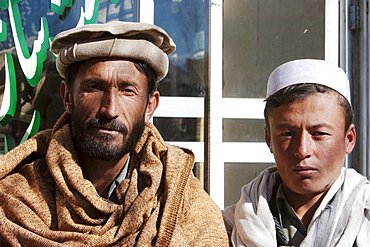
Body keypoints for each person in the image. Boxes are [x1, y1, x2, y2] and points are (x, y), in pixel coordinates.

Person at [0, 21, 229, 246]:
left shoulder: (180, 199)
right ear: (68, 97)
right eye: (94, 87)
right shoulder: (17, 198)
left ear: (150, 106)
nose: (110, 109)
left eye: (128, 91)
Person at [223, 59, 370, 246]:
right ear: (269, 140)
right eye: (287, 134)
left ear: (349, 139)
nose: (302, 150)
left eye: (319, 134)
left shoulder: (366, 217)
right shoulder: (228, 228)